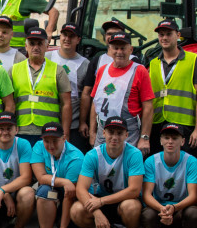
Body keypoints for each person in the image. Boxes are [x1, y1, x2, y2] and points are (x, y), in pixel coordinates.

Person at [69, 116, 144, 228]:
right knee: (76, 210)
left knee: (132, 207)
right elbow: (80, 189)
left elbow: (134, 190)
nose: (115, 137)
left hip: (122, 201)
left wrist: (101, 201)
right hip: (100, 200)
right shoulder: (93, 155)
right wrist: (96, 212)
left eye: (120, 133)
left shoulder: (134, 154)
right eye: (111, 132)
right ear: (103, 133)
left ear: (127, 135)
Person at [83, 32, 153, 150]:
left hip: (127, 132)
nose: (119, 52)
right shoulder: (102, 70)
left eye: (123, 48)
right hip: (103, 131)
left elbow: (148, 107)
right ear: (110, 49)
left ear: (130, 49)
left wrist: (144, 137)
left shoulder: (139, 71)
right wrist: (93, 131)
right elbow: (96, 103)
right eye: (115, 48)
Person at [141, 123, 197, 228]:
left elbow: (193, 196)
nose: (170, 141)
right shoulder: (151, 161)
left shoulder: (191, 161)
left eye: (174, 138)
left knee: (194, 213)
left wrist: (174, 208)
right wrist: (161, 209)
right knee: (147, 214)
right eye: (166, 138)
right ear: (160, 140)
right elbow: (146, 195)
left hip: (180, 209)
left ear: (182, 141)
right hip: (159, 209)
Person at [148, 19, 197, 156]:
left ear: (178, 35)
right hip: (159, 124)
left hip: (185, 125)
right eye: (161, 35)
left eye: (169, 34)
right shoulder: (153, 64)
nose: (164, 38)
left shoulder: (193, 60)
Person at [28, 121, 85, 228]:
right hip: (53, 190)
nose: (51, 145)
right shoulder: (38, 146)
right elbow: (41, 177)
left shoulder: (76, 158)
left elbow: (69, 196)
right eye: (47, 141)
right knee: (43, 191)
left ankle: (64, 223)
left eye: (55, 140)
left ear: (64, 138)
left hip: (71, 197)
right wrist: (64, 182)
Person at [11, 28, 71, 145]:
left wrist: (65, 133)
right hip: (21, 130)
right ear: (26, 46)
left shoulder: (58, 70)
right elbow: (8, 102)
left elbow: (66, 104)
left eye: (40, 44)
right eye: (32, 44)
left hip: (50, 131)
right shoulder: (14, 70)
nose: (36, 47)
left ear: (46, 46)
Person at [47, 22, 91, 151]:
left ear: (78, 40)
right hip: (50, 119)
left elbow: (85, 95)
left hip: (74, 124)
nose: (67, 39)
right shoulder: (47, 57)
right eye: (64, 35)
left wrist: (83, 122)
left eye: (71, 36)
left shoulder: (85, 64)